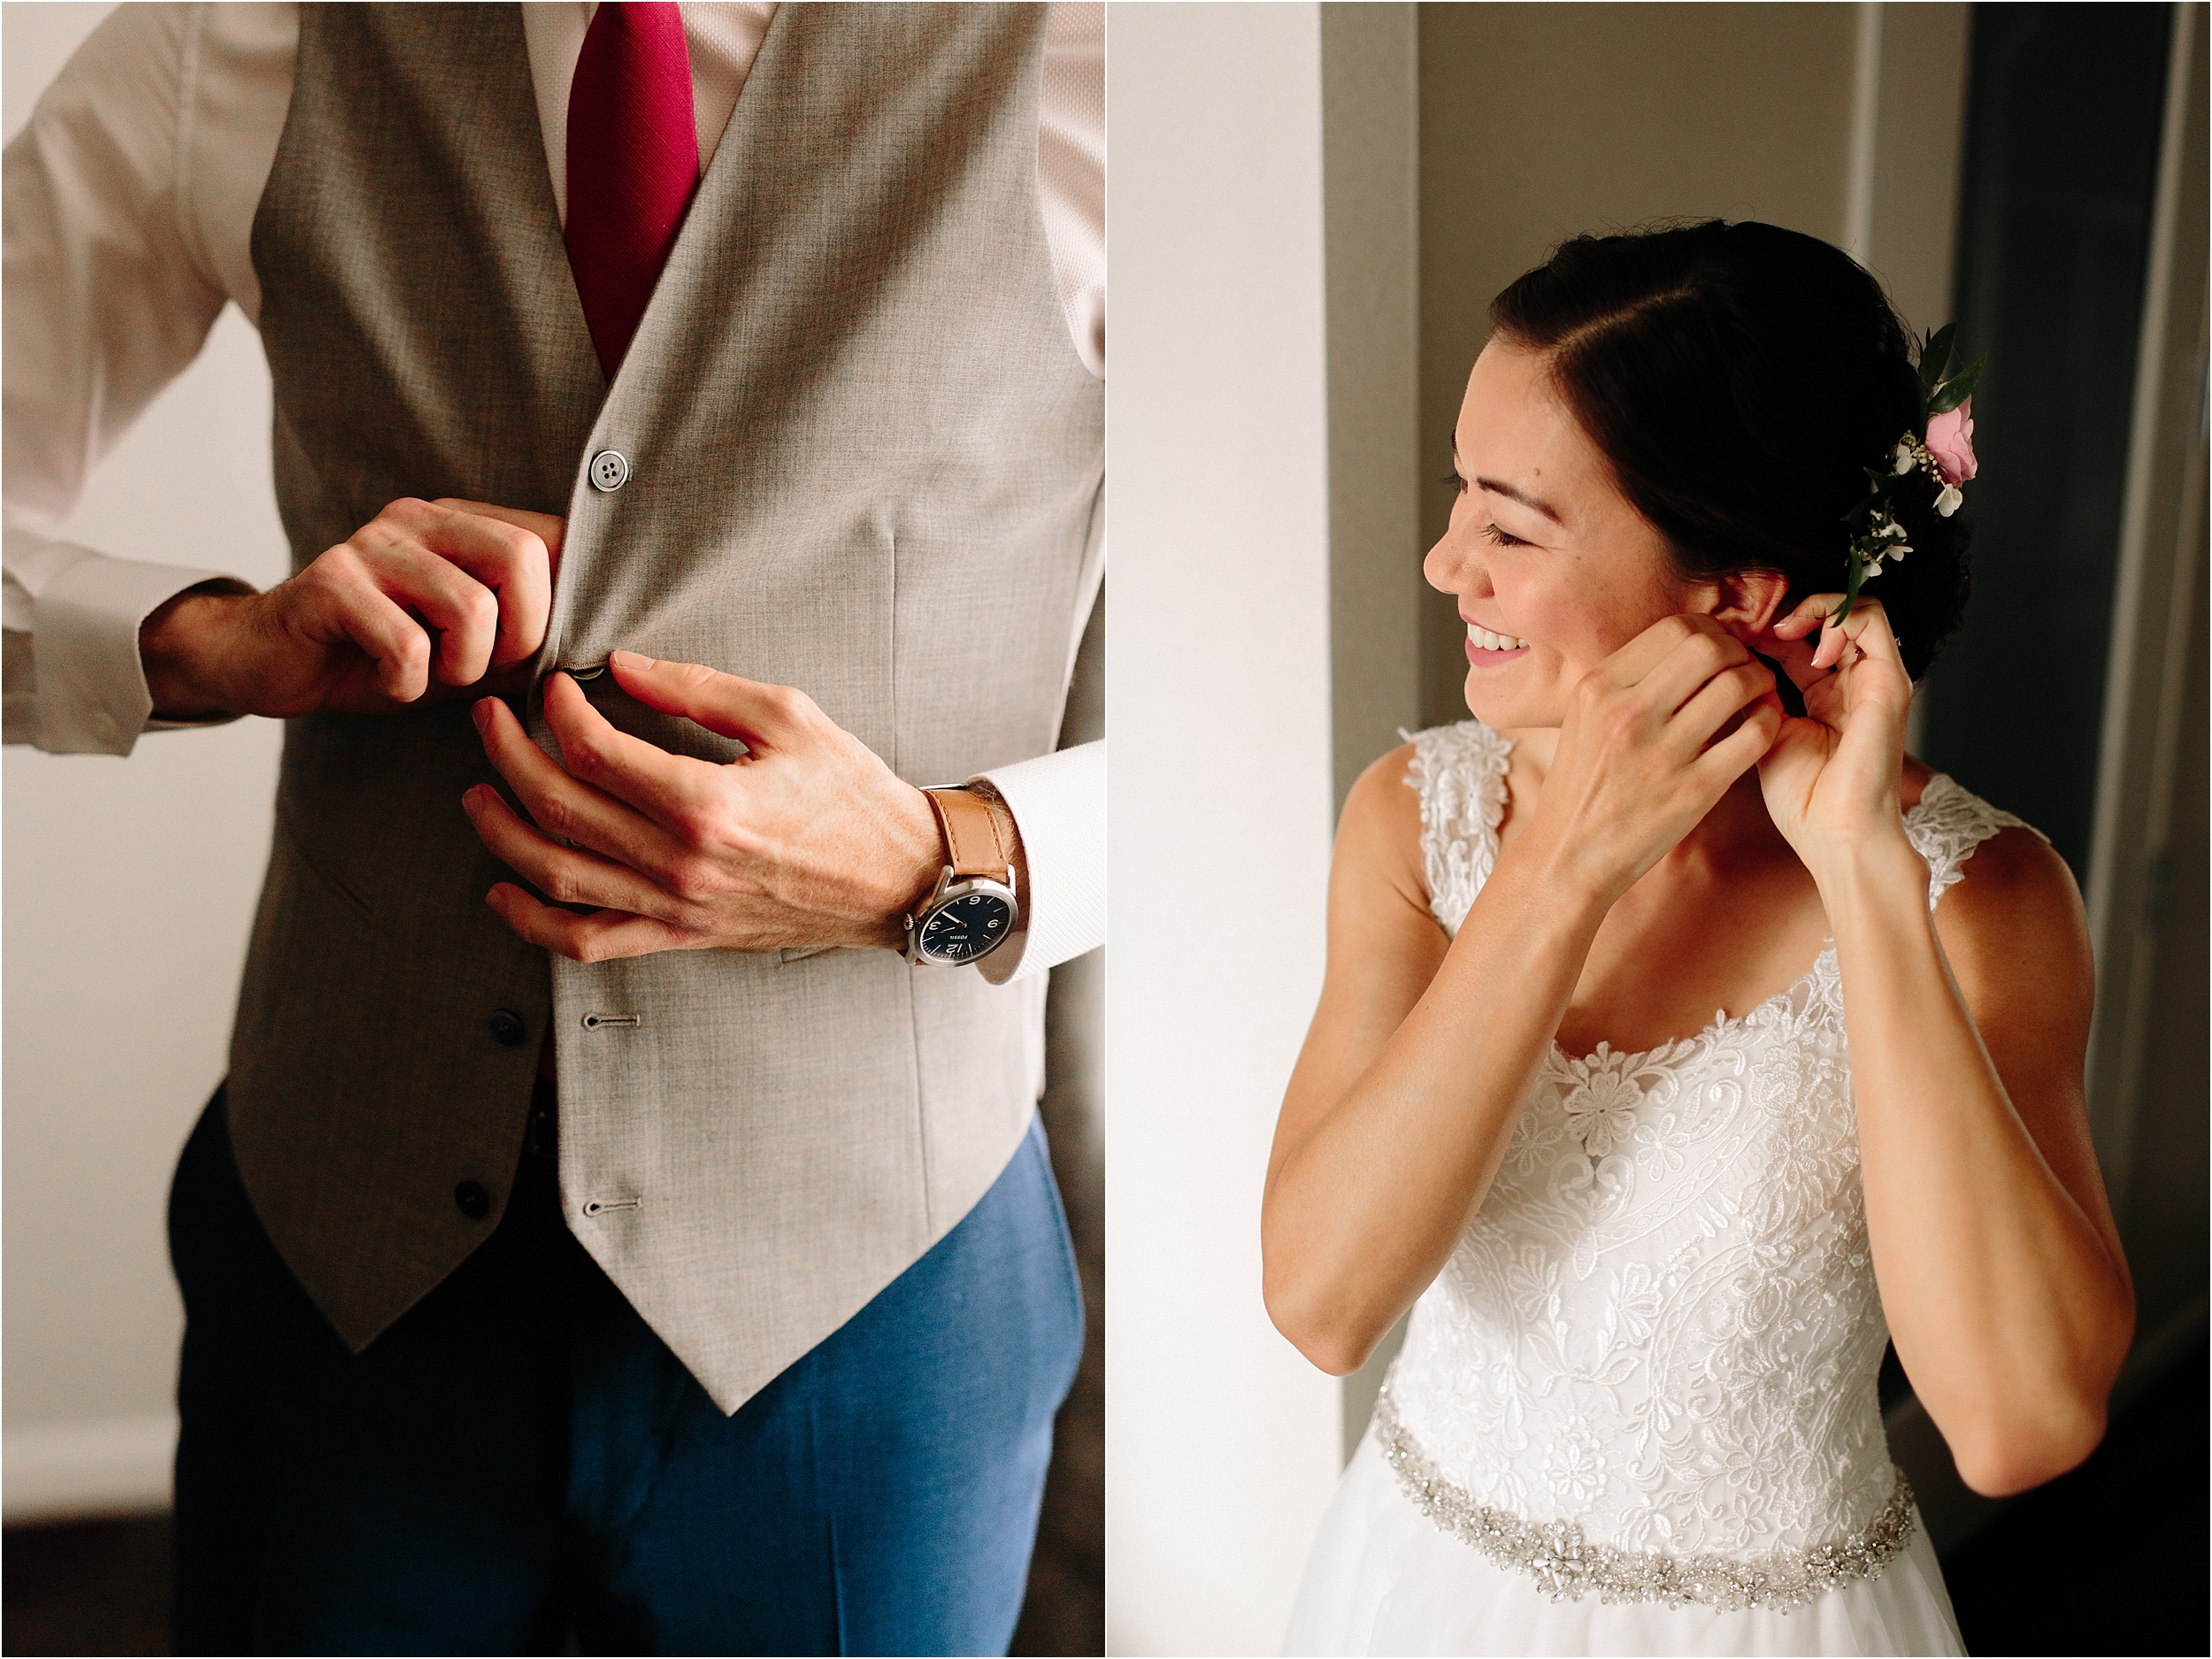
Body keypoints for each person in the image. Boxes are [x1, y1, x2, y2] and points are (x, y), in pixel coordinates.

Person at [4, 4, 1102, 1652]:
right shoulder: (236, 32)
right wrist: (205, 643)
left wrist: (939, 859)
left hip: (877, 1307)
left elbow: (1327, 681)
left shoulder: (1110, 52)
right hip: (341, 1272)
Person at [1265, 220, 2133, 1655]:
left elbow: (2018, 1425)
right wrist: (1557, 872)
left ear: (1733, 592)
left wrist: (1857, 867)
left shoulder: (1985, 898)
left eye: (1510, 525)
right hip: (1412, 1594)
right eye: (1457, 499)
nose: (1443, 564)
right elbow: (1323, 1303)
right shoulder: (1419, 822)